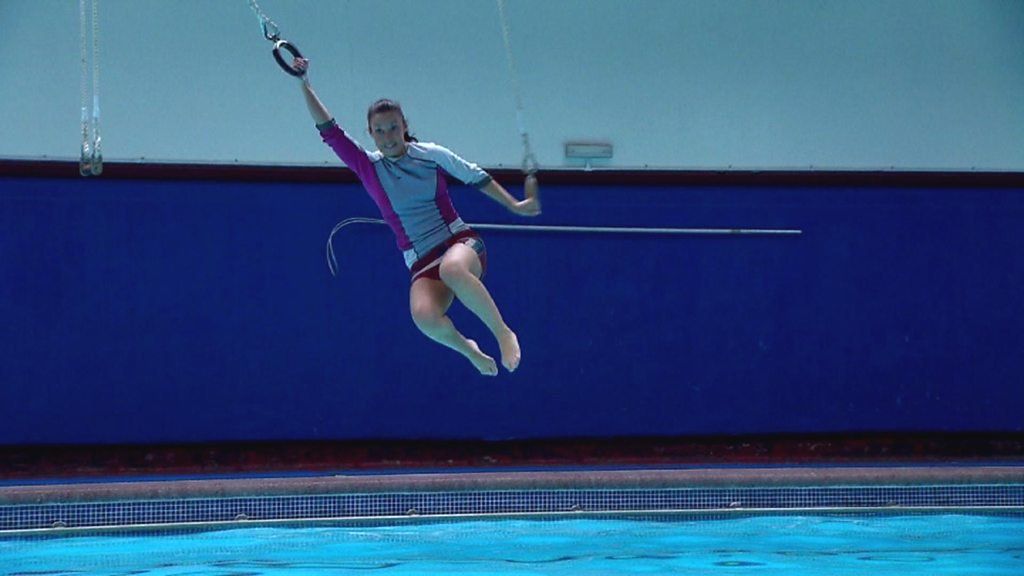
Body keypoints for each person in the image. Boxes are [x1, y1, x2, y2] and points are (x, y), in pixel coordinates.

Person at [294, 57, 541, 376]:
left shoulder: (431, 155)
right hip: (421, 261)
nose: (387, 135)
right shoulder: (369, 168)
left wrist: (515, 205)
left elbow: (475, 176)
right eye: (379, 130)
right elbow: (329, 131)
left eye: (393, 127)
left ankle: (503, 332)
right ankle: (470, 350)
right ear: (370, 133)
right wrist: (303, 82)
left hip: (461, 243)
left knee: (453, 269)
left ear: (404, 126)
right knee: (424, 316)